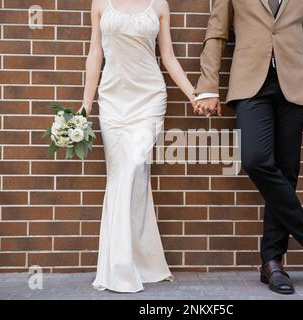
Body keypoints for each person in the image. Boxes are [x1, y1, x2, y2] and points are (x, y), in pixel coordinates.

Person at [194, 0, 303, 294]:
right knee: (255, 160)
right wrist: (208, 85)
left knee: (286, 174)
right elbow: (216, 34)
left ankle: (272, 263)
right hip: (251, 86)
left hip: (295, 87)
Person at [79, 0, 196, 293]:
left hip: (149, 99)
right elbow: (95, 53)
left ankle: (122, 266)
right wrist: (85, 107)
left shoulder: (159, 5)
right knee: (128, 177)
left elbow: (168, 57)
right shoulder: (100, 3)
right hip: (112, 100)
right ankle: (140, 262)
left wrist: (194, 95)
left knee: (132, 169)